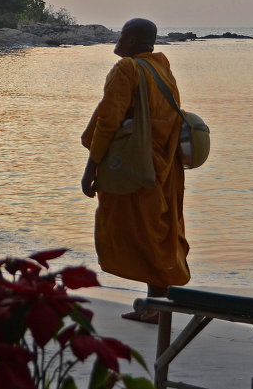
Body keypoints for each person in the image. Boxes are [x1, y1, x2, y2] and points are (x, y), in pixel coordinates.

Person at [81, 18, 190, 321]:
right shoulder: (162, 70)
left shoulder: (127, 69)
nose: (117, 40)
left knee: (138, 231)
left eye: (122, 35)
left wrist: (91, 168)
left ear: (131, 41)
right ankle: (156, 305)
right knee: (155, 230)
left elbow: (108, 121)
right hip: (163, 165)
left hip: (136, 167)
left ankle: (157, 306)